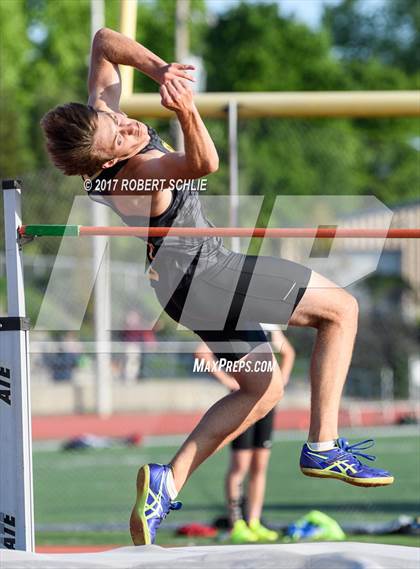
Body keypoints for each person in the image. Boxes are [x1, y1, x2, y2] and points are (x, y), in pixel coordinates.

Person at [40, 28, 393, 546]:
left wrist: (158, 70)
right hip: (208, 274)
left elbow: (101, 41)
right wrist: (184, 108)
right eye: (116, 136)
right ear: (110, 161)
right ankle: (323, 443)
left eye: (114, 117)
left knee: (263, 387)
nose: (125, 124)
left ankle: (167, 480)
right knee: (341, 310)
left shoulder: (101, 136)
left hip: (181, 288)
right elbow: (203, 164)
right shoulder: (135, 172)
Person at [195, 328, 295, 544]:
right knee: (240, 464)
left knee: (260, 465)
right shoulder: (240, 321)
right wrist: (227, 380)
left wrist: (281, 380)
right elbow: (201, 352)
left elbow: (288, 352)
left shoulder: (269, 323)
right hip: (243, 401)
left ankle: (254, 521)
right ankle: (237, 523)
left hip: (267, 403)